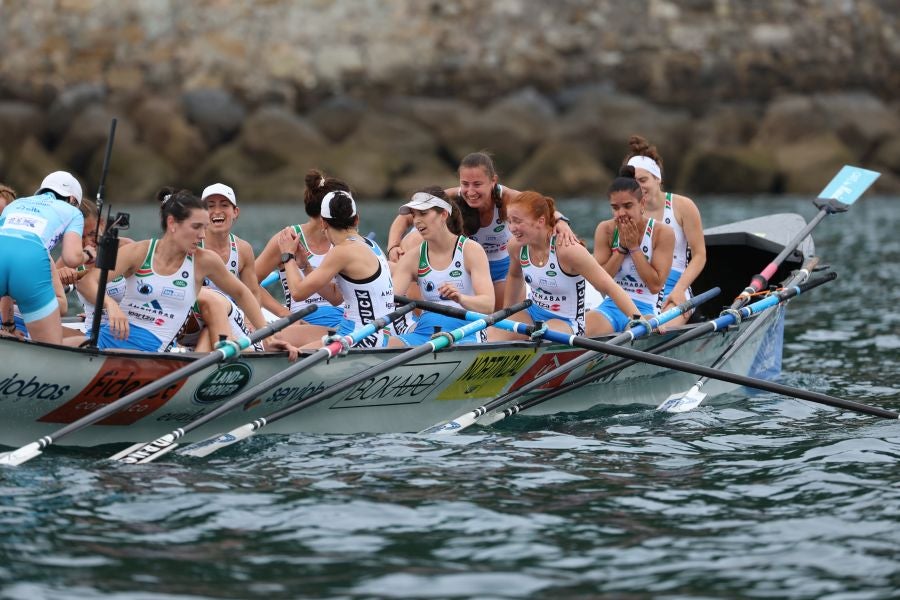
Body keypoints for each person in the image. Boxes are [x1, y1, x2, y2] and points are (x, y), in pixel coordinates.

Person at [81, 188, 297, 358]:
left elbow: (242, 293)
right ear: (172, 223)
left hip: (151, 353)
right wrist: (110, 305)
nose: (202, 235)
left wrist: (267, 337)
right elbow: (89, 282)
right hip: (106, 340)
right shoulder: (138, 252)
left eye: (204, 227)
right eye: (196, 227)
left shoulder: (204, 261)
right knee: (69, 343)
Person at [385, 152, 577, 309]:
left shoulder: (508, 198)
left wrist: (561, 222)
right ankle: (416, 312)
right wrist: (393, 246)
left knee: (502, 315)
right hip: (466, 265)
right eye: (465, 184)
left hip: (499, 267)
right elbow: (406, 216)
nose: (470, 191)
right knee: (413, 240)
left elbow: (541, 208)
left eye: (477, 184)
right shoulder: (451, 197)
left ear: (493, 181)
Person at [496, 191, 643, 340]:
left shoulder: (568, 251)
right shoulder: (516, 246)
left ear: (540, 221)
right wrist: (507, 315)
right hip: (532, 314)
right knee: (490, 335)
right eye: (509, 221)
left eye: (517, 221)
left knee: (541, 338)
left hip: (568, 322)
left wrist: (638, 319)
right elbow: (515, 276)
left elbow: (609, 286)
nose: (512, 228)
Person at [277, 189, 407, 349]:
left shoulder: (342, 251)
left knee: (286, 351)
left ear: (323, 223)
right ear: (356, 219)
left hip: (360, 339)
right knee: (278, 337)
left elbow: (297, 293)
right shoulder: (369, 244)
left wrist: (288, 255)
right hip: (368, 334)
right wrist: (305, 266)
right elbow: (336, 297)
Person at [391, 187, 494, 345]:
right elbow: (388, 302)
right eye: (414, 215)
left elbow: (488, 305)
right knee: (390, 344)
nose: (417, 221)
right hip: (425, 331)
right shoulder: (413, 257)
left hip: (466, 332)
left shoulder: (471, 250)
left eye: (423, 213)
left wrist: (460, 298)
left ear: (444, 214)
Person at [256, 170, 348, 345]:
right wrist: (284, 314)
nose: (350, 213)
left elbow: (338, 298)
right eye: (346, 206)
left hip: (344, 320)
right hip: (303, 322)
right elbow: (248, 281)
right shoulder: (286, 238)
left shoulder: (347, 239)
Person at [623, 135, 706, 326]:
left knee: (656, 329)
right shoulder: (626, 210)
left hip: (674, 286)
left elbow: (700, 255)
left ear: (657, 178)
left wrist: (679, 289)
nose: (638, 187)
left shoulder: (683, 206)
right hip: (637, 288)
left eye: (643, 180)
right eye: (633, 182)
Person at [586, 167, 675, 335]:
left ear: (642, 203)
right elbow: (600, 283)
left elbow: (655, 286)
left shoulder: (662, 233)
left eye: (627, 206)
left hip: (645, 309)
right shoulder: (605, 229)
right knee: (584, 329)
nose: (621, 213)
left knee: (639, 334)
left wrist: (634, 248)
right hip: (610, 307)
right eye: (615, 207)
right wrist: (621, 249)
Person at [0, 171, 85, 344]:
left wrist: (9, 326)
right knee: (50, 348)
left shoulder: (15, 204)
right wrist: (88, 254)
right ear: (72, 200)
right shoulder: (73, 212)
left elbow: (8, 253)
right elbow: (72, 258)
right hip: (31, 264)